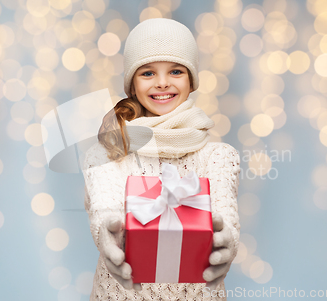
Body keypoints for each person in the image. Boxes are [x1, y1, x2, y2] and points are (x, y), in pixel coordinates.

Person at [83, 18, 240, 300]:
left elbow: (224, 215)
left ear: (192, 80)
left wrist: (227, 240)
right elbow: (104, 207)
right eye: (148, 73)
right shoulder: (107, 152)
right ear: (131, 84)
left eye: (176, 71)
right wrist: (107, 232)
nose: (163, 83)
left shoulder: (218, 156)